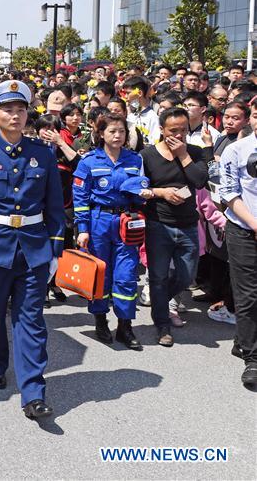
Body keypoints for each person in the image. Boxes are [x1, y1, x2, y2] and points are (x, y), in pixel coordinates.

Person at [0, 80, 64, 420]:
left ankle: (33, 391)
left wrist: (55, 250)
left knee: (30, 320)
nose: (16, 116)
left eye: (21, 110)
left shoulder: (43, 154)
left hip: (33, 248)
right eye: (8, 110)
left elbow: (55, 207)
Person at [73, 113, 148, 350]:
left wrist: (142, 196)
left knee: (126, 275)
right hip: (98, 221)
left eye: (122, 131)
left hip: (127, 221)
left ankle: (125, 326)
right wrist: (82, 228)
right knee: (100, 274)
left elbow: (141, 190)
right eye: (112, 131)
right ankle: (100, 320)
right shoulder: (88, 161)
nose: (117, 135)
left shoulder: (135, 159)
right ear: (101, 134)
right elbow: (80, 197)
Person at [140, 107, 209, 347]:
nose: (178, 135)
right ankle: (162, 324)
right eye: (173, 130)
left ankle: (160, 301)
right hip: (158, 223)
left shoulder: (195, 152)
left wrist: (182, 155)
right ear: (161, 130)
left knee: (186, 275)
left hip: (188, 224)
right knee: (158, 277)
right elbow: (139, 189)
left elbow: (200, 180)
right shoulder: (147, 155)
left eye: (183, 130)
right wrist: (161, 192)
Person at [218, 98, 257, 387]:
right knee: (249, 294)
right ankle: (253, 358)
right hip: (243, 229)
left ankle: (242, 339)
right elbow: (229, 193)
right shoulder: (236, 150)